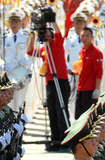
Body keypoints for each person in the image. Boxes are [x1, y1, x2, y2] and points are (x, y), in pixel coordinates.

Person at [27, 22, 70, 151]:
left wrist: (53, 21)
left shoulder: (57, 43)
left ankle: (65, 140)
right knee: (52, 111)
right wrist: (33, 35)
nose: (44, 33)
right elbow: (29, 51)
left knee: (61, 110)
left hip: (61, 81)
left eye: (45, 31)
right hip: (50, 82)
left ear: (50, 33)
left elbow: (59, 33)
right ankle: (55, 139)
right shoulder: (43, 49)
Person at [0, 9, 31, 112]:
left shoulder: (26, 36)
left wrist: (28, 61)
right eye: (12, 22)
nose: (14, 24)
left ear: (20, 22)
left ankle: (20, 123)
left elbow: (31, 52)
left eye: (16, 21)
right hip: (9, 73)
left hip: (21, 73)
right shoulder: (4, 38)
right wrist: (1, 63)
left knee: (20, 101)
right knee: (9, 101)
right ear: (8, 23)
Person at [75, 27, 103, 119]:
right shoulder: (81, 51)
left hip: (90, 90)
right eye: (82, 36)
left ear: (92, 37)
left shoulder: (96, 52)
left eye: (87, 36)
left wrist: (97, 89)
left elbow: (99, 72)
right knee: (78, 116)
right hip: (80, 88)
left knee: (88, 118)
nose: (84, 38)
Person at [64, 12, 87, 120]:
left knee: (85, 98)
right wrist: (68, 68)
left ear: (84, 24)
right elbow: (62, 56)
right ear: (73, 24)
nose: (79, 25)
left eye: (81, 23)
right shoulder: (69, 41)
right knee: (72, 99)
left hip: (86, 74)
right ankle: (73, 122)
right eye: (76, 23)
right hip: (73, 73)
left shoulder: (89, 38)